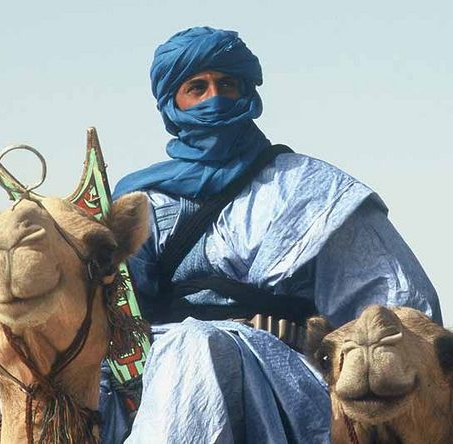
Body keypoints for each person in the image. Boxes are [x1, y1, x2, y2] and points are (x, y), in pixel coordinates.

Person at [99, 27, 442, 443]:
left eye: (227, 84)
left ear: (248, 93)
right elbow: (117, 314)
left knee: (199, 344)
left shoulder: (313, 190)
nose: (215, 97)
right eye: (197, 87)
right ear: (173, 104)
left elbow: (399, 308)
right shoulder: (142, 200)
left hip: (291, 383)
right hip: (157, 381)